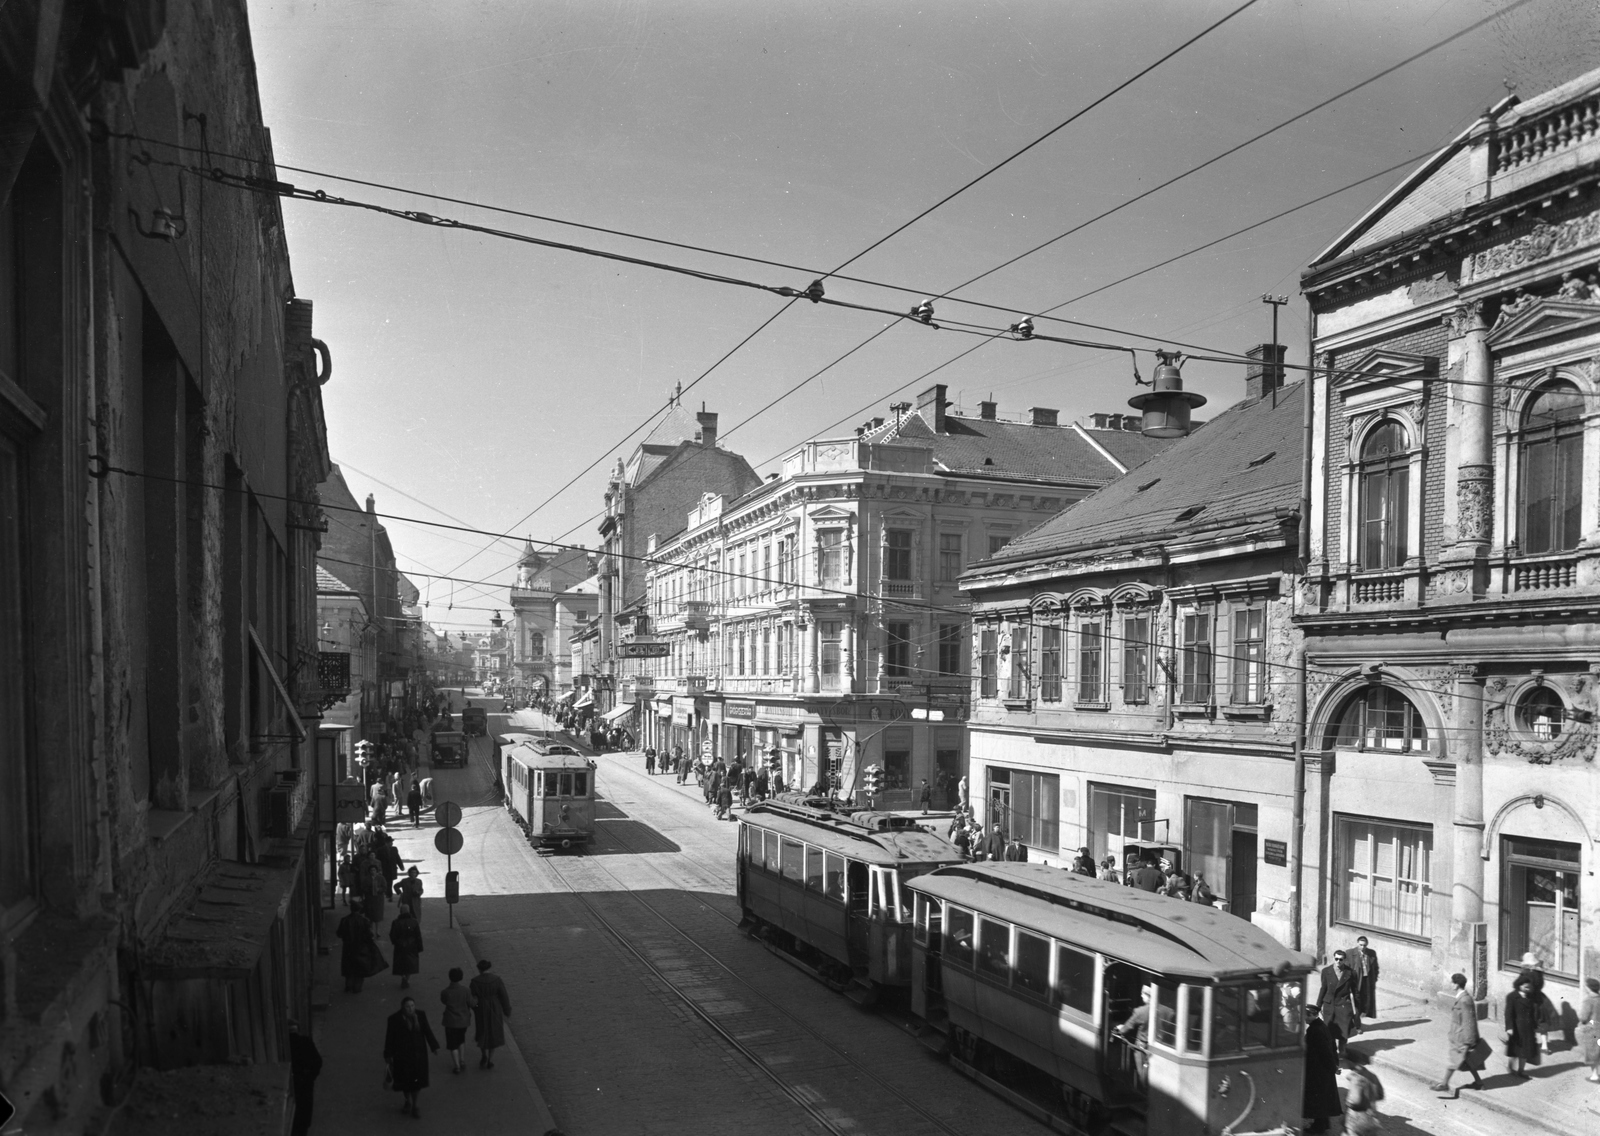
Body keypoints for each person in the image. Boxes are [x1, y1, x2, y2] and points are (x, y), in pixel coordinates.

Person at [383, 995, 440, 1119]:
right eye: (408, 1006)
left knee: (417, 1082)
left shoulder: (420, 1015)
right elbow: (389, 1038)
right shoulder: (394, 1019)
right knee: (405, 1082)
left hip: (418, 1055)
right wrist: (388, 1055)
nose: (411, 1009)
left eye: (412, 1006)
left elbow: (427, 1031)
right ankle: (407, 1101)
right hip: (402, 1056)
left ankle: (415, 1105)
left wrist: (434, 1046)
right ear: (403, 1007)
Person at [1433, 972, 1484, 1095]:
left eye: (1452, 983)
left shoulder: (1464, 1000)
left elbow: (1469, 1021)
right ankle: (1478, 1082)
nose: (1451, 985)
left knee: (1454, 1061)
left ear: (1456, 984)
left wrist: (1469, 1041)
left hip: (1462, 1038)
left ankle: (1444, 1084)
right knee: (1466, 1061)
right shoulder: (1462, 997)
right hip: (1458, 1036)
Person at [1302, 1005, 1342, 1133]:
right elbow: (1332, 1046)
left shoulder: (1315, 1030)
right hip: (1324, 1070)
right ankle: (1323, 1124)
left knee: (1318, 1099)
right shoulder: (1322, 1026)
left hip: (1318, 1071)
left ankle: (1318, 1128)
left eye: (1305, 1016)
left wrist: (1333, 1067)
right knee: (1323, 1099)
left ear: (1312, 1015)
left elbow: (1325, 1052)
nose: (1304, 1019)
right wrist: (1335, 1065)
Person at [469, 959, 513, 1069]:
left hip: (481, 1008)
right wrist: (507, 1011)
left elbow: (471, 998)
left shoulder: (475, 981)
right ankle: (490, 1059)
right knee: (493, 1032)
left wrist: (475, 1008)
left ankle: (483, 1054)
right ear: (489, 968)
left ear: (479, 969)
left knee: (482, 1030)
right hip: (495, 1007)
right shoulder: (496, 980)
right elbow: (504, 996)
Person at [1316, 950, 1360, 1057]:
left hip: (1343, 1005)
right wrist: (1318, 1006)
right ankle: (1329, 1052)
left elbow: (1355, 991)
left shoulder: (1351, 973)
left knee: (1343, 1031)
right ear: (1333, 959)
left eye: (1341, 959)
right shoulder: (1326, 971)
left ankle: (1342, 1050)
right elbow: (1323, 989)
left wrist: (1358, 1008)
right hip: (1329, 1005)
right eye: (1336, 959)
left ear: (1344, 960)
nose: (1338, 961)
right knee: (1328, 1031)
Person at [335, 900, 382, 992]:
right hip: (361, 948)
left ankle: (348, 985)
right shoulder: (364, 921)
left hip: (348, 948)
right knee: (360, 968)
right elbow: (369, 935)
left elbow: (339, 934)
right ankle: (357, 987)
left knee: (349, 967)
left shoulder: (344, 920)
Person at [287, 1020, 322, 1136]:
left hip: (290, 1088)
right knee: (302, 1121)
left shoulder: (284, 1045)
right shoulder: (306, 1042)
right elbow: (318, 1062)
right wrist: (310, 1077)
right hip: (304, 1086)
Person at [1340, 1049, 1385, 1136]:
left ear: (1350, 1062)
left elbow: (1355, 1101)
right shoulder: (1372, 1076)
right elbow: (1380, 1095)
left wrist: (1348, 1103)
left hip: (1356, 1118)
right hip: (1371, 1117)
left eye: (1344, 1061)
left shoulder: (1356, 1078)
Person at [1516, 951, 1554, 1053]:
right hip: (1540, 999)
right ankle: (1545, 1046)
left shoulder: (1525, 974)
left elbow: (1518, 985)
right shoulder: (1539, 973)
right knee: (1542, 1022)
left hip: (1528, 999)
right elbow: (1541, 985)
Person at [439, 967, 475, 1075]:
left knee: (452, 1044)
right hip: (463, 1021)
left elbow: (444, 1002)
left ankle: (457, 1066)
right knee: (461, 1039)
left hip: (450, 1022)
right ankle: (462, 1060)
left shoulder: (445, 992)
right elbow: (472, 1003)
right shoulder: (466, 990)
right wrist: (478, 1002)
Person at [1504, 975, 1541, 1077]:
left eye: (1529, 987)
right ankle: (1510, 1066)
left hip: (1528, 1028)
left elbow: (1534, 1012)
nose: (1528, 989)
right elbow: (1508, 1014)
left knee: (1525, 1050)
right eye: (1526, 987)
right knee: (1515, 1049)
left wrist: (1536, 1026)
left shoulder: (1530, 996)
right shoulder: (1512, 997)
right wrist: (1509, 1028)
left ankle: (1521, 1070)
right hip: (1516, 1028)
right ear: (1519, 986)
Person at [389, 907, 423, 990]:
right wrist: (420, 947)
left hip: (399, 945)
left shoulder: (396, 922)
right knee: (410, 964)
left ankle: (403, 976)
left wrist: (396, 942)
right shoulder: (414, 922)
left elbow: (392, 935)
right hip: (412, 946)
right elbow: (418, 936)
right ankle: (406, 978)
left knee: (400, 963)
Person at [1576, 976, 1600, 1082]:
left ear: (1588, 988)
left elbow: (1583, 1017)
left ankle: (1594, 1075)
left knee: (1592, 1052)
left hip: (1592, 1029)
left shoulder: (1588, 1000)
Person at [1352, 935, 1380, 1023]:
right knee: (1356, 998)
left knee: (1366, 998)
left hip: (1367, 979)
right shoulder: (1351, 953)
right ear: (1357, 944)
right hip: (1357, 979)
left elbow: (1376, 967)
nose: (1362, 947)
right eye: (1360, 945)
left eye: (1364, 945)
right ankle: (1356, 1020)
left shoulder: (1371, 953)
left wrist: (1374, 978)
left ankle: (1363, 1015)